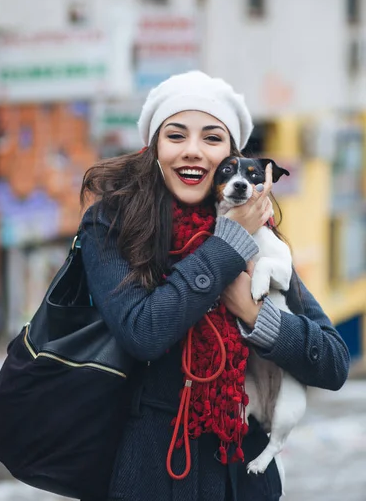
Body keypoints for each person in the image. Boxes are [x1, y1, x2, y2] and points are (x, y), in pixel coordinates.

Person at [80, 71, 350, 501]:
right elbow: (143, 332)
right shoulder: (113, 225)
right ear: (154, 148)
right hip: (154, 475)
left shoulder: (262, 234)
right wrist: (228, 247)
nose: (192, 151)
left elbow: (333, 364)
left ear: (230, 154)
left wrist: (255, 314)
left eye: (211, 137)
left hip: (243, 480)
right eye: (175, 135)